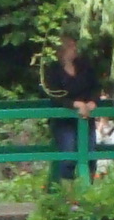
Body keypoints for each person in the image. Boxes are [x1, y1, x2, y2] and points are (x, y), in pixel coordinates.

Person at [41, 35, 99, 182]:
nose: (75, 49)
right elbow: (53, 95)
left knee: (91, 156)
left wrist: (93, 101)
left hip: (86, 116)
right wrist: (73, 104)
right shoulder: (53, 70)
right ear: (62, 51)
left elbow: (95, 86)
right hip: (64, 121)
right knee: (68, 158)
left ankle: (89, 190)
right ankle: (68, 193)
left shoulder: (84, 66)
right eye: (71, 47)